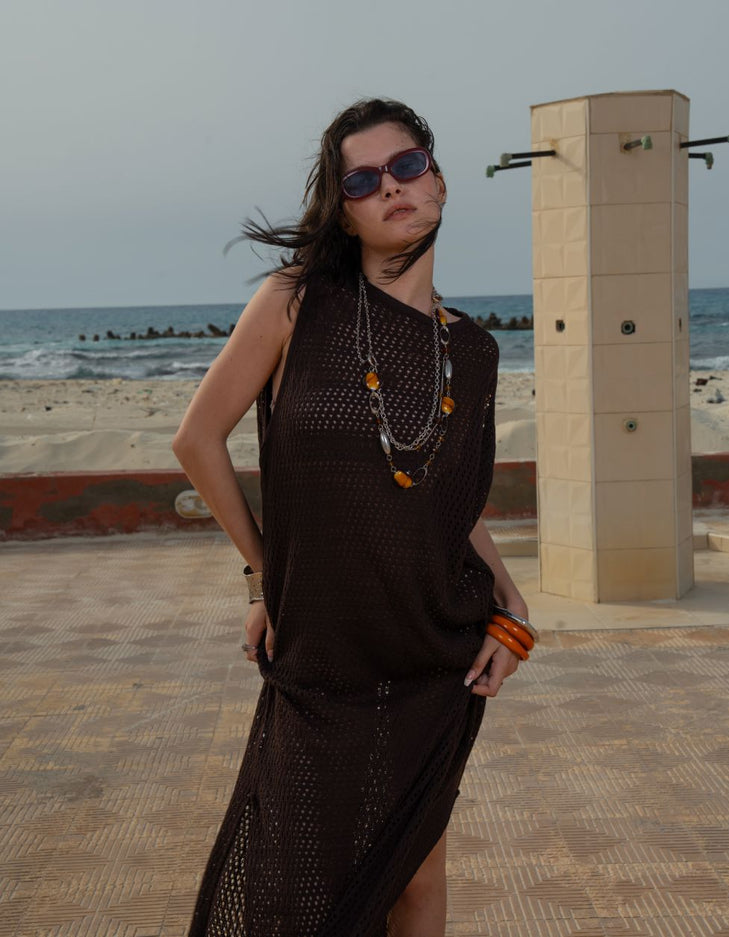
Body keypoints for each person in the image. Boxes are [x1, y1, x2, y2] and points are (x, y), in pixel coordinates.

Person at [173, 97, 532, 937]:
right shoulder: (296, 303)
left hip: (431, 652)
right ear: (344, 211)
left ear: (438, 178)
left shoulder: (473, 351)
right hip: (322, 650)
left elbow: (450, 504)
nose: (392, 188)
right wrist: (265, 577)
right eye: (364, 181)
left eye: (406, 165)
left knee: (416, 879)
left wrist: (512, 605)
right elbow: (197, 439)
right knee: (291, 886)